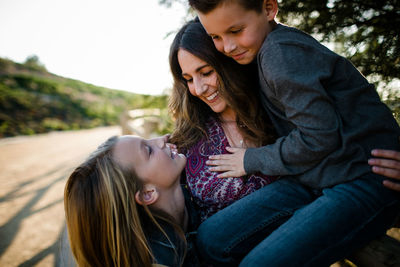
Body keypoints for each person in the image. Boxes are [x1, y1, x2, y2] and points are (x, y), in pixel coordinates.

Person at [185, 0, 400, 266]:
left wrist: (249, 160)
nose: (227, 47)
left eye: (236, 30)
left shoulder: (280, 53)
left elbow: (318, 137)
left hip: (362, 176)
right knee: (211, 239)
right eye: (215, 37)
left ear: (268, 8)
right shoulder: (262, 51)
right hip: (315, 174)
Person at [168, 19, 277, 221]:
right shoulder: (189, 138)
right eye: (189, 79)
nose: (198, 89)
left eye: (206, 72)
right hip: (218, 248)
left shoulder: (277, 114)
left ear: (229, 61)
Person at [64, 135, 201, 267]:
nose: (163, 139)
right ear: (147, 194)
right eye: (149, 150)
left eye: (147, 141)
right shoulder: (160, 258)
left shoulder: (197, 193)